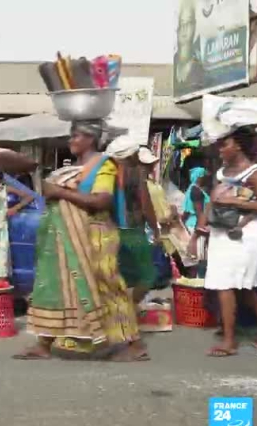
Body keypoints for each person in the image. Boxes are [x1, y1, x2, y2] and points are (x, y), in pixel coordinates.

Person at [14, 120, 146, 362]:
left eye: (76, 136)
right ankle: (44, 344)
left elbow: (102, 201)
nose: (71, 140)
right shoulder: (72, 168)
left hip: (97, 235)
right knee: (61, 287)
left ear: (90, 139)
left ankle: (134, 345)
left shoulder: (104, 165)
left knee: (108, 286)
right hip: (67, 236)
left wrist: (60, 192)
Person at [204, 127, 257, 357]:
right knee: (233, 286)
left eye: (224, 144)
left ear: (238, 145)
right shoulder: (221, 173)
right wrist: (199, 231)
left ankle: (229, 340)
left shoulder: (253, 172)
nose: (220, 149)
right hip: (220, 233)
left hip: (243, 233)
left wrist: (232, 201)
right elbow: (211, 202)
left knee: (235, 286)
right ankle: (229, 338)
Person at [117, 145, 161, 305]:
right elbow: (145, 204)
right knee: (148, 275)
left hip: (112, 229)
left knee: (121, 274)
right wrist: (155, 229)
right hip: (132, 229)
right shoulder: (137, 173)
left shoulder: (110, 172)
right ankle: (130, 308)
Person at [174, 0, 204, 98]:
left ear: (195, 26)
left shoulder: (200, 66)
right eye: (182, 23)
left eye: (189, 23)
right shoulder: (174, 62)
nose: (184, 28)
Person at [184, 167, 211, 277]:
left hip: (194, 223)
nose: (205, 178)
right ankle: (197, 281)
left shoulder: (192, 189)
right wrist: (199, 230)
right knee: (198, 257)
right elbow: (200, 212)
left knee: (196, 258)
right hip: (197, 224)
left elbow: (186, 212)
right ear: (199, 177)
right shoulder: (196, 191)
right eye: (203, 175)